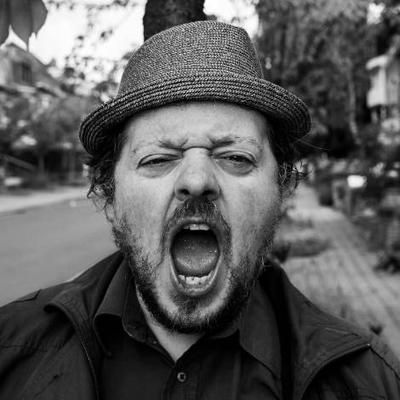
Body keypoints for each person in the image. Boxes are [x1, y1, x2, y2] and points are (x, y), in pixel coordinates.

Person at [1, 21, 399, 400]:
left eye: (236, 157)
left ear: (281, 189)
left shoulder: (368, 384)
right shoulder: (10, 354)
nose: (196, 179)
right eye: (158, 159)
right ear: (109, 194)